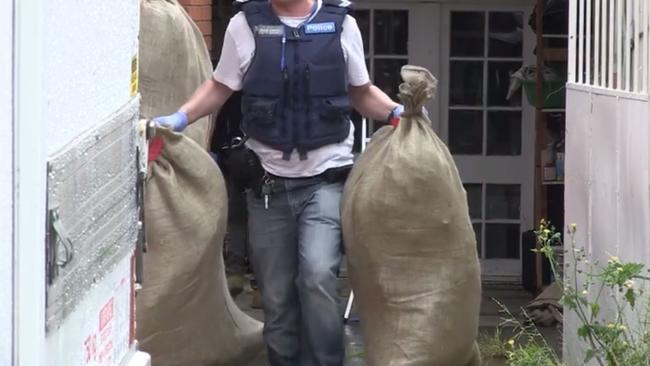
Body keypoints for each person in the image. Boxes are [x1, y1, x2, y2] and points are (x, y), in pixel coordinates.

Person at [153, 0, 405, 364]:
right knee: (275, 295)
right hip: (268, 187)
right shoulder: (245, 25)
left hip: (326, 180)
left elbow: (360, 91)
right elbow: (220, 86)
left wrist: (396, 113)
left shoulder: (341, 24)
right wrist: (180, 117)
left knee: (317, 276)